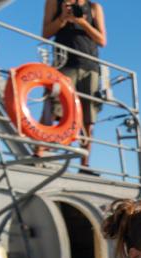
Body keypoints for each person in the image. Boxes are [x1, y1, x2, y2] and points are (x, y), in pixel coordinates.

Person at [42, 0, 107, 166]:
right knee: (54, 109)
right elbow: (45, 33)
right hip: (64, 63)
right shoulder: (54, 3)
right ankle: (41, 153)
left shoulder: (94, 8)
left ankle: (84, 165)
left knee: (88, 119)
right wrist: (62, 18)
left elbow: (102, 40)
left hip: (90, 67)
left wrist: (82, 22)